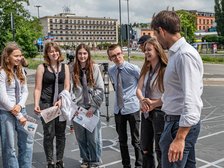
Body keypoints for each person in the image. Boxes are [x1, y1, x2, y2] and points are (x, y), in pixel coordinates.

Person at [150, 10, 203, 167]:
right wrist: (155, 103)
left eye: (156, 34)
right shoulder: (176, 54)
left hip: (179, 124)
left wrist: (180, 137)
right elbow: (176, 92)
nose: (156, 40)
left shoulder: (184, 55)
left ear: (162, 31)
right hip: (178, 122)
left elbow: (191, 98)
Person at [34, 42, 70, 168]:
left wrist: (61, 100)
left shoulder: (64, 67)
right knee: (49, 134)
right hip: (47, 105)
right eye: (51, 51)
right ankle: (50, 161)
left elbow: (67, 86)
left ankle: (59, 160)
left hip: (60, 105)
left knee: (61, 134)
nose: (54, 53)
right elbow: (38, 88)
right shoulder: (42, 67)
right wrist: (36, 103)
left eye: (56, 51)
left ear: (59, 52)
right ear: (47, 54)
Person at [107, 44, 142, 168]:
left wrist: (141, 99)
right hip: (119, 110)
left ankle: (139, 165)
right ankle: (126, 165)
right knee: (122, 141)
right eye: (113, 56)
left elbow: (142, 83)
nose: (117, 57)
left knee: (136, 140)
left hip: (132, 108)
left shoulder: (133, 69)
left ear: (122, 53)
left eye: (118, 54)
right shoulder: (111, 71)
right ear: (110, 58)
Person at [0, 42, 33, 168]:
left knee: (27, 143)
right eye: (16, 56)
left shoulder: (20, 71)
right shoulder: (2, 73)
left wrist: (20, 106)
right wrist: (19, 114)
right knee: (9, 147)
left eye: (20, 55)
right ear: (7, 57)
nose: (19, 58)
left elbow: (25, 91)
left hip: (21, 110)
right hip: (6, 113)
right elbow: (2, 98)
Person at [70, 43, 104, 168]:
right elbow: (69, 90)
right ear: (76, 54)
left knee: (93, 138)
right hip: (78, 109)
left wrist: (93, 107)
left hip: (91, 108)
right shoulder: (72, 68)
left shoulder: (94, 68)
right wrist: (73, 107)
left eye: (85, 53)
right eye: (80, 53)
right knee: (81, 137)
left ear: (88, 54)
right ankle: (85, 159)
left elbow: (100, 89)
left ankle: (94, 160)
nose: (82, 56)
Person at [136, 37, 167, 168]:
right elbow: (138, 89)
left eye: (149, 50)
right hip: (147, 111)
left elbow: (168, 94)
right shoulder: (146, 68)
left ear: (157, 50)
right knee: (145, 147)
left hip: (159, 111)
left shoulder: (165, 69)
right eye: (145, 50)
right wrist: (143, 100)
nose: (146, 53)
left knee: (160, 148)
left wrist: (153, 102)